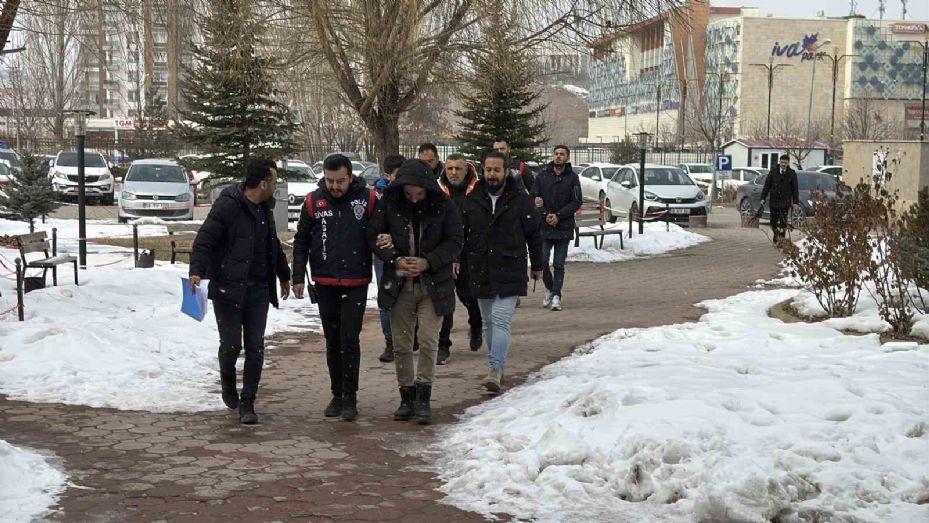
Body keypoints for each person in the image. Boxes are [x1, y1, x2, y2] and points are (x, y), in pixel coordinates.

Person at [189, 159, 291, 425]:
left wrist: (284, 275)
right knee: (232, 344)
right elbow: (204, 240)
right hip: (228, 288)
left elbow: (273, 246)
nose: (276, 186)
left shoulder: (265, 210)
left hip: (258, 289)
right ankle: (228, 382)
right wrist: (196, 271)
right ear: (262, 184)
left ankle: (248, 401)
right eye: (274, 181)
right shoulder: (228, 205)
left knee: (255, 347)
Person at [367, 159, 462, 424]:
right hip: (399, 284)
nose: (414, 199)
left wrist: (428, 261)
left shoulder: (443, 206)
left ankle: (424, 397)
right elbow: (373, 235)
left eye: (419, 194)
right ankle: (406, 396)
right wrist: (395, 258)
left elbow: (455, 241)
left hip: (433, 284)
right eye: (409, 194)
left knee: (430, 340)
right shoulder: (389, 204)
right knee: (402, 344)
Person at [291, 154, 377, 422]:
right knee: (333, 340)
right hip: (325, 280)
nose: (335, 186)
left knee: (350, 339)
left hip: (356, 281)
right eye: (329, 181)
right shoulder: (312, 201)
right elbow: (301, 240)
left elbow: (379, 234)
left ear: (350, 177)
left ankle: (350, 396)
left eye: (340, 181)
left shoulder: (369, 199)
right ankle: (337, 394)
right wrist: (297, 276)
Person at [460, 151, 542, 393]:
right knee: (487, 322)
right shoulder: (473, 199)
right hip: (481, 267)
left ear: (506, 171)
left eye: (497, 170)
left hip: (510, 266)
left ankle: (495, 369)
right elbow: (460, 233)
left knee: (501, 319)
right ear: (483, 171)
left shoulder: (520, 199)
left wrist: (538, 265)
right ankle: (497, 365)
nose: (492, 175)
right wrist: (456, 258)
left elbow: (534, 234)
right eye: (488, 170)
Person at [436, 153, 483, 364]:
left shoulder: (477, 191)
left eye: (458, 169)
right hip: (444, 254)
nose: (453, 173)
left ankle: (476, 324)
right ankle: (442, 345)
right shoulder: (437, 191)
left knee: (468, 296)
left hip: (470, 254)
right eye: (450, 168)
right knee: (444, 301)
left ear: (467, 170)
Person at [531, 145, 582, 311]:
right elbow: (535, 196)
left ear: (567, 158)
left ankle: (556, 296)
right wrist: (545, 213)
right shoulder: (542, 176)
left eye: (562, 154)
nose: (558, 156)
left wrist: (559, 215)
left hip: (563, 226)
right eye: (556, 154)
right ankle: (550, 288)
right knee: (543, 261)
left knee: (559, 264)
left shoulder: (572, 178)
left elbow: (576, 201)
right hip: (544, 227)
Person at [374, 154, 405, 363]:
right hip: (384, 253)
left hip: (410, 251)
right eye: (397, 175)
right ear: (388, 175)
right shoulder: (376, 196)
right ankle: (390, 341)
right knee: (387, 296)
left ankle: (410, 336)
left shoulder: (414, 192)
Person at [757, 154, 799, 244]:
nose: (783, 164)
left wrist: (795, 202)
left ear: (788, 163)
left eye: (785, 162)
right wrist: (763, 198)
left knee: (783, 221)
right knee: (773, 221)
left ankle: (782, 238)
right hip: (774, 201)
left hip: (785, 202)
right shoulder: (773, 172)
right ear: (779, 162)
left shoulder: (792, 173)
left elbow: (795, 189)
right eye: (782, 162)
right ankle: (776, 233)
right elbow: (767, 186)